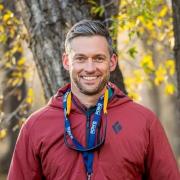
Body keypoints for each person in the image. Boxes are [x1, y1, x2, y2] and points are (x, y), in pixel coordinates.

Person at [8, 20, 180, 180]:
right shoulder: (36, 126)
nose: (90, 68)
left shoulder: (144, 122)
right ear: (67, 61)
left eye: (98, 58)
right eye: (80, 58)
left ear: (112, 62)